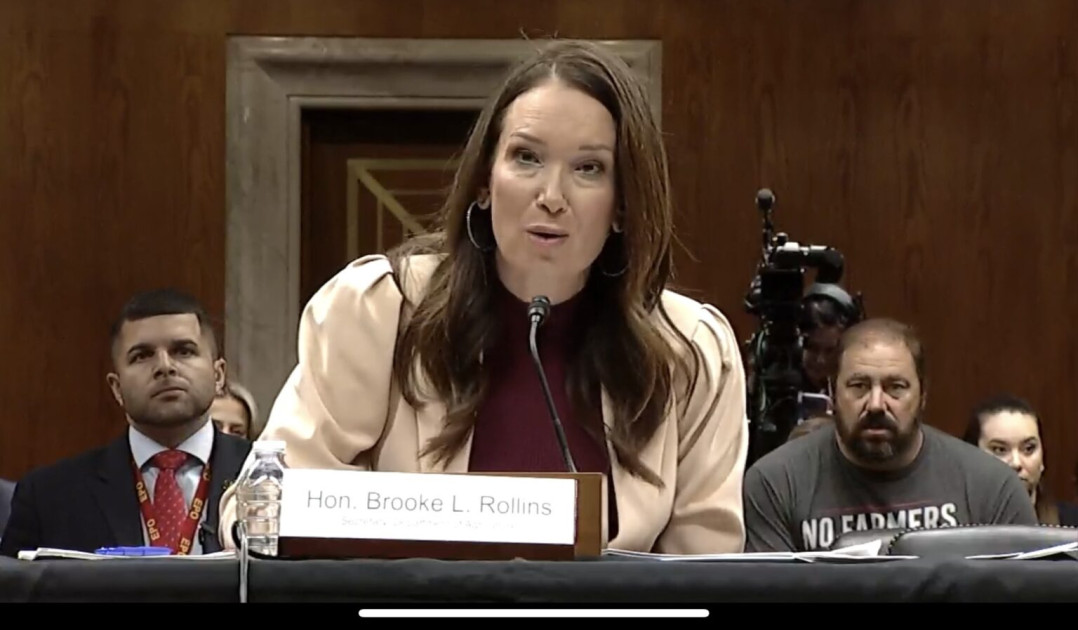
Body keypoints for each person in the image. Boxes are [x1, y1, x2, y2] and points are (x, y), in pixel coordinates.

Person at [218, 40, 749, 555]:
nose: (551, 196)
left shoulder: (691, 352)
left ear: (624, 205)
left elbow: (705, 570)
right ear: (484, 183)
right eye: (527, 158)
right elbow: (258, 513)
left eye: (588, 168)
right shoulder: (381, 311)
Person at [742, 318, 1037, 552]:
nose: (876, 404)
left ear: (922, 395)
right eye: (859, 386)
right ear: (832, 393)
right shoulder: (777, 483)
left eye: (895, 387)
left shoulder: (991, 487)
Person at [0, 289, 251, 557]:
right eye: (142, 355)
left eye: (183, 351)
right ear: (117, 388)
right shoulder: (49, 496)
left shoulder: (272, 478)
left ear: (218, 375)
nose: (165, 367)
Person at [963, 394, 1078, 527]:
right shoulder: (955, 527)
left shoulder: (1072, 526)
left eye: (1029, 448)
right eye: (1000, 450)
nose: (1016, 463)